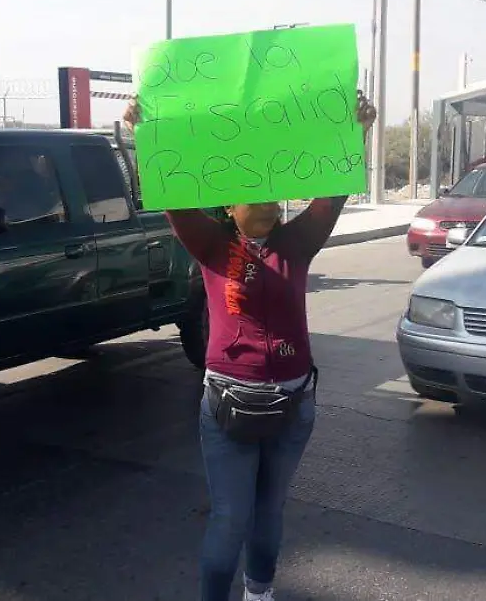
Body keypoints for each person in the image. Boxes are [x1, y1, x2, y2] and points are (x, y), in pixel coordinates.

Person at [124, 92, 377, 601]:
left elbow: (332, 195)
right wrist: (143, 135)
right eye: (252, 194)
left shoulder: (297, 243)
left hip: (293, 404)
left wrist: (357, 131)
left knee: (270, 510)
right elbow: (172, 194)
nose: (266, 202)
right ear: (228, 206)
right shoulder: (212, 245)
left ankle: (259, 594)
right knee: (231, 518)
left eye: (272, 195)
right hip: (228, 410)